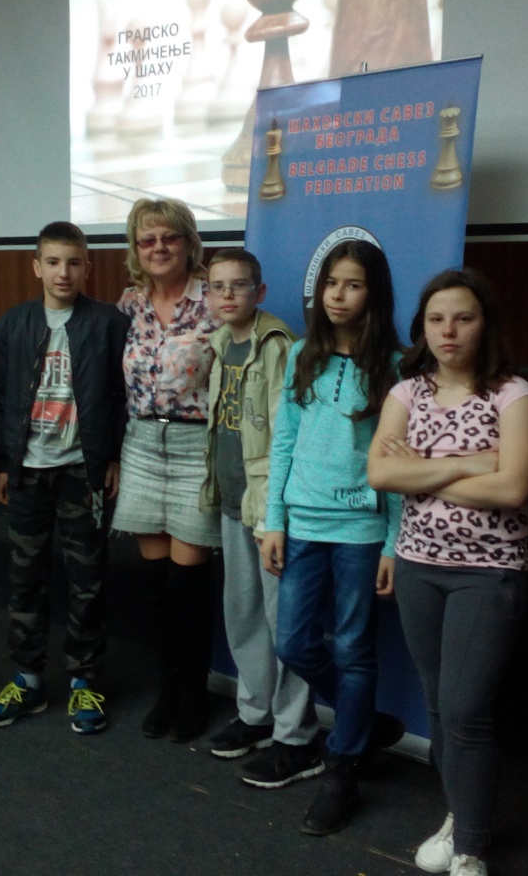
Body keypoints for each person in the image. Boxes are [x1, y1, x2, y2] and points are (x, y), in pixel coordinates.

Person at [369, 269, 528, 876]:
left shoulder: (513, 394)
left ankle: (469, 848)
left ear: (484, 325)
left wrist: (422, 468)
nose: (449, 331)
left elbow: (513, 488)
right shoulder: (406, 393)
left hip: (489, 574)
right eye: (437, 319)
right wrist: (470, 463)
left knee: (466, 708)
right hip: (419, 566)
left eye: (463, 318)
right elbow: (381, 474)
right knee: (440, 708)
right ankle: (459, 815)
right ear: (423, 327)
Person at [261, 238, 405, 838]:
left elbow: (398, 462)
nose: (338, 295)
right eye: (330, 283)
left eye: (353, 284)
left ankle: (343, 767)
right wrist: (274, 519)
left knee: (352, 648)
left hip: (361, 530)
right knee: (293, 643)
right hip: (303, 524)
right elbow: (285, 443)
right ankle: (359, 721)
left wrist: (393, 542)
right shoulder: (303, 354)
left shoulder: (394, 367)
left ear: (374, 293)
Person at [0, 222, 130, 734]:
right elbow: (2, 397)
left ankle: (84, 679)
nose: (63, 272)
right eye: (53, 262)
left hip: (81, 471)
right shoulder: (13, 323)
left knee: (87, 578)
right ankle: (27, 678)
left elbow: (122, 396)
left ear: (88, 266)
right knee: (25, 576)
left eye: (73, 262)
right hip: (27, 470)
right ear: (36, 267)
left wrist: (111, 456)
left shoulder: (109, 323)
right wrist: (6, 462)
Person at [198, 248, 322, 788]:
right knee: (244, 614)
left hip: (268, 511)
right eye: (217, 286)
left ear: (260, 292)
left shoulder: (278, 347)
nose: (227, 295)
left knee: (283, 622)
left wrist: (276, 518)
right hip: (233, 501)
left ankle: (296, 734)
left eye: (239, 285)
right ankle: (256, 715)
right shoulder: (220, 342)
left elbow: (285, 438)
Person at [111, 197, 222, 743]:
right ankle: (168, 688)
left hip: (194, 446)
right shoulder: (128, 303)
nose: (159, 247)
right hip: (140, 445)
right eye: (147, 239)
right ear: (136, 249)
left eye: (169, 237)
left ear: (189, 243)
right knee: (155, 587)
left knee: (188, 586)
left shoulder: (214, 300)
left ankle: (194, 694)